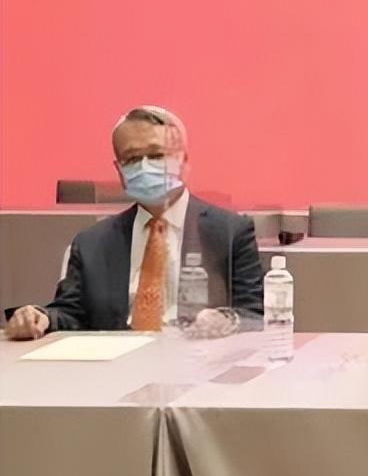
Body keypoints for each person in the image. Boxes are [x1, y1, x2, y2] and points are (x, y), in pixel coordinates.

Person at [4, 105, 264, 339]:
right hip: (116, 368)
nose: (145, 167)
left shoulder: (229, 232)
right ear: (120, 171)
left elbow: (254, 316)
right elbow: (71, 314)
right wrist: (41, 317)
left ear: (184, 160)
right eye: (132, 159)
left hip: (197, 363)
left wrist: (225, 322)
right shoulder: (92, 243)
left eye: (156, 155)